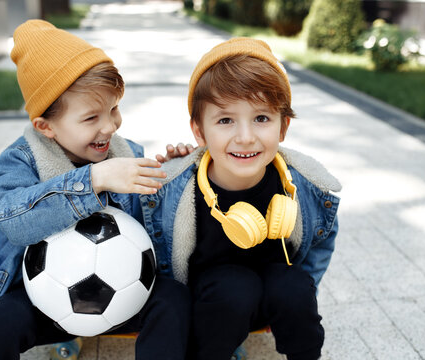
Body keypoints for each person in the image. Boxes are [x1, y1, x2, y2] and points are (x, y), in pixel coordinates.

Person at [0, 20, 191, 360]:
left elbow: (169, 220)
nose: (109, 126)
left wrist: (177, 169)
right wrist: (94, 180)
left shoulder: (128, 153)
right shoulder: (20, 161)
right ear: (45, 126)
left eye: (114, 109)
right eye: (91, 117)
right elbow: (12, 220)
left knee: (174, 300)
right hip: (45, 299)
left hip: (127, 293)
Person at [138, 37, 342, 360]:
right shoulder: (180, 187)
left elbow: (322, 241)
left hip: (272, 292)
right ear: (199, 132)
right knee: (235, 286)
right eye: (225, 120)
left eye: (261, 118)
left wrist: (307, 288)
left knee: (296, 288)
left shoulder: (301, 185)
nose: (245, 137)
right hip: (213, 301)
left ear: (283, 127)